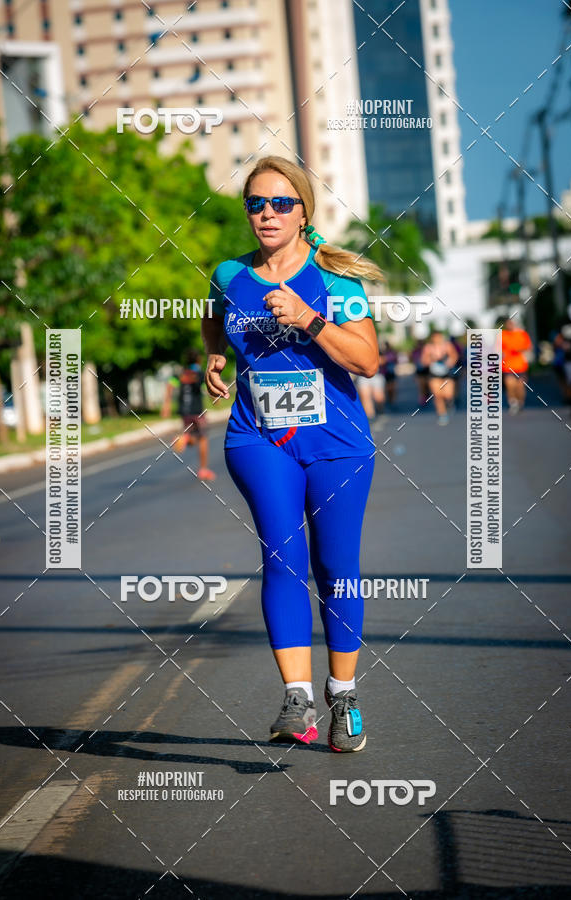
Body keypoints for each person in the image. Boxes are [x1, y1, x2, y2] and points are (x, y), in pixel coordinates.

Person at [202, 155, 382, 752]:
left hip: (336, 443)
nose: (268, 214)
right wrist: (215, 356)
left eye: (281, 202)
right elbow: (212, 320)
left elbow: (366, 360)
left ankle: (344, 696)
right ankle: (296, 699)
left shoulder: (336, 280)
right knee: (282, 559)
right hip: (259, 437)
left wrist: (309, 319)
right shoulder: (230, 275)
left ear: (304, 211)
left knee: (336, 567)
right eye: (256, 203)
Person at [162, 349, 216, 481]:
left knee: (193, 438)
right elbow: (208, 387)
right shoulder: (200, 374)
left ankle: (185, 438)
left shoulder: (181, 374)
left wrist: (167, 405)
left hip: (184, 411)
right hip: (197, 411)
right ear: (199, 360)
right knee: (203, 438)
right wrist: (215, 398)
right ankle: (203, 469)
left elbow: (170, 385)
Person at [420, 330, 459, 425]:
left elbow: (454, 356)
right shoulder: (428, 348)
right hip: (434, 374)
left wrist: (450, 362)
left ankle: (449, 404)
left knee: (448, 394)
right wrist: (430, 360)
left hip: (447, 374)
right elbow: (423, 360)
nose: (437, 339)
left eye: (439, 337)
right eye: (435, 337)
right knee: (437, 395)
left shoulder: (447, 345)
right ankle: (442, 415)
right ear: (432, 338)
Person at [501, 317, 532, 414]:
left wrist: (519, 350)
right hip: (507, 366)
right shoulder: (502, 335)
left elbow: (528, 347)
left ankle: (520, 402)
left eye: (512, 323)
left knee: (520, 386)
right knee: (510, 385)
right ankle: (513, 403)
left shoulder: (522, 334)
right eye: (508, 323)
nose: (510, 325)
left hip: (520, 366)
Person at [379, 341, 398, 408]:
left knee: (392, 388)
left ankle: (392, 401)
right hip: (384, 373)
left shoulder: (391, 353)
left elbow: (385, 360)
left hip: (391, 372)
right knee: (387, 388)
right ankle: (389, 400)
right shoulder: (381, 353)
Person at [410, 339, 429, 407]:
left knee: (427, 386)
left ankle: (426, 396)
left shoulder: (427, 351)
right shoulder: (415, 352)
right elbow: (411, 359)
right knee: (421, 386)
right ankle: (422, 399)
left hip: (427, 370)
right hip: (419, 371)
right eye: (419, 344)